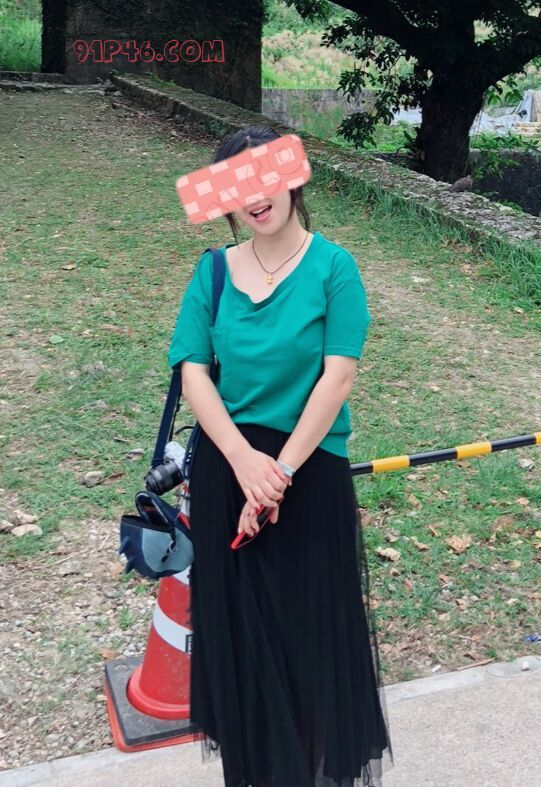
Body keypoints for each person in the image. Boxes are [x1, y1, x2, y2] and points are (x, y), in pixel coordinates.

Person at [167, 125, 394, 787]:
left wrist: (279, 474)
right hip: (227, 473)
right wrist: (244, 462)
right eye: (237, 186)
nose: (255, 198)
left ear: (292, 177)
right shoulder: (212, 272)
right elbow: (193, 372)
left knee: (308, 642)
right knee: (242, 644)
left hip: (308, 474)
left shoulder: (334, 267)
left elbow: (337, 378)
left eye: (264, 178)